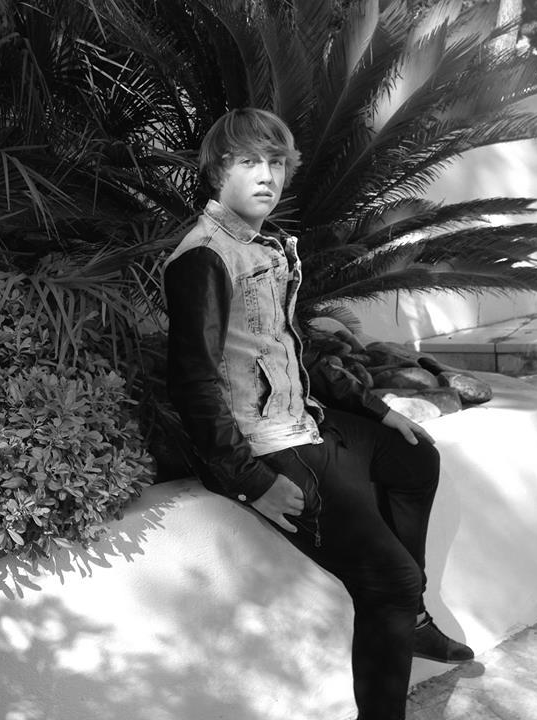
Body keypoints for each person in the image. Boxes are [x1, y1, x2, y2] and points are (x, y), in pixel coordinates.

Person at [163, 108, 474, 720]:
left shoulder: (263, 246)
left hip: (302, 419)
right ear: (218, 170)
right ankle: (401, 626)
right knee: (389, 582)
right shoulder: (204, 257)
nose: (266, 175)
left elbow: (286, 343)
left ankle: (411, 619)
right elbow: (192, 383)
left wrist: (373, 408)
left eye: (275, 163)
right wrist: (251, 482)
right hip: (267, 445)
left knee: (415, 458)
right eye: (249, 161)